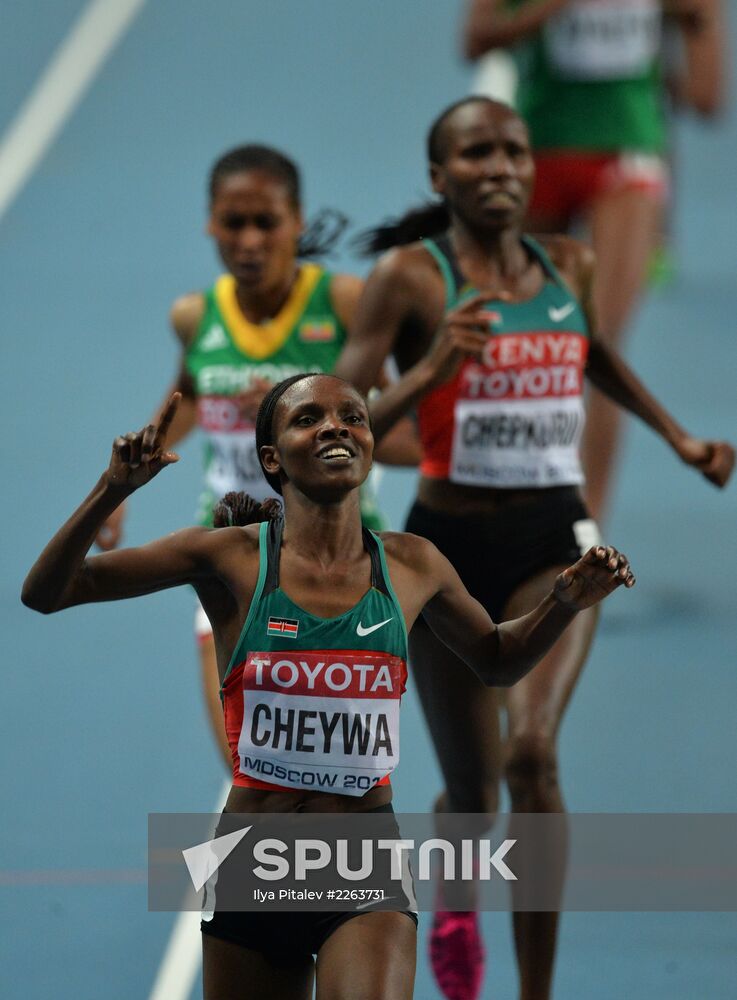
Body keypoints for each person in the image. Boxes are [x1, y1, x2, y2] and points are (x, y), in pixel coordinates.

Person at [22, 374, 635, 1000]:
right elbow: (46, 593)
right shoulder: (228, 559)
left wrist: (563, 602)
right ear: (271, 459)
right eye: (308, 419)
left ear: (368, 445)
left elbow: (497, 660)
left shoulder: (412, 564)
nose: (336, 426)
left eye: (353, 416)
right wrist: (110, 490)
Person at [333, 97, 734, 1000]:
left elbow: (593, 353)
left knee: (533, 757)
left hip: (556, 540)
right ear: (441, 177)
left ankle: (535, 994)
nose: (502, 167)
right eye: (476, 153)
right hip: (443, 552)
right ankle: (461, 899)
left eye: (514, 150)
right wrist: (434, 365)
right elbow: (342, 422)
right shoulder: (410, 280)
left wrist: (677, 437)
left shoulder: (572, 264)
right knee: (472, 795)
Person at [94, 144, 419, 769]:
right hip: (233, 551)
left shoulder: (346, 304)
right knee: (247, 764)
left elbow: (398, 433)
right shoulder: (196, 316)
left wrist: (295, 421)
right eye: (232, 222)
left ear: (297, 222)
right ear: (209, 224)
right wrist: (120, 490)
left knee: (336, 773)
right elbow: (184, 403)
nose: (248, 240)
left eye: (265, 222)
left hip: (341, 556)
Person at [461, 0, 727, 520]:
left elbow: (706, 97)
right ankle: (506, 505)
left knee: (596, 341)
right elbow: (474, 39)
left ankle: (587, 532)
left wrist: (679, 29)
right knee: (516, 336)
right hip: (534, 151)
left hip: (626, 152)